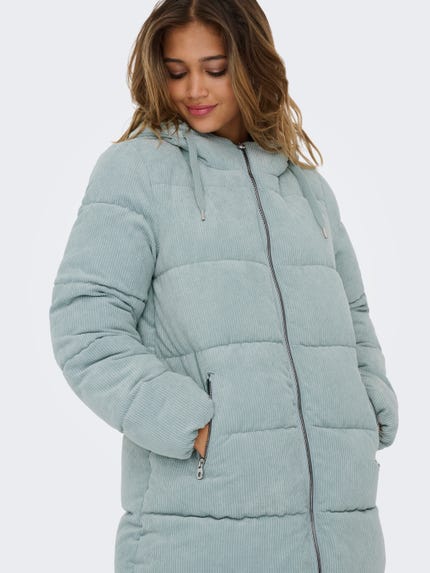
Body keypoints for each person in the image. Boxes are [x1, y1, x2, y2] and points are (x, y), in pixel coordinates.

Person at [49, 1, 399, 571]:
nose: (195, 90)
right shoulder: (137, 172)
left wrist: (368, 402)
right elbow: (85, 324)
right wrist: (186, 419)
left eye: (215, 69)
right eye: (176, 71)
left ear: (253, 64)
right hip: (198, 528)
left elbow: (353, 311)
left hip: (342, 528)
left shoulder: (306, 188)